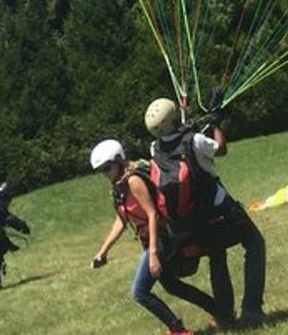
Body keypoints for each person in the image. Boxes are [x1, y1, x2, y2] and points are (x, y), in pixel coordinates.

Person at [145, 97, 267, 329]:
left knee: (217, 257)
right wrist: (215, 123)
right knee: (254, 242)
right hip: (220, 209)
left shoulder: (155, 149)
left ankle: (224, 317)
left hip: (193, 223)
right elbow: (221, 149)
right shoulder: (196, 141)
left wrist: (194, 124)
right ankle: (251, 309)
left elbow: (176, 138)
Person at [90, 139, 222, 335]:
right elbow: (121, 220)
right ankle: (219, 310)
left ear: (119, 160)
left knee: (140, 292)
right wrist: (103, 252)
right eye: (102, 170)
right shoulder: (119, 187)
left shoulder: (134, 181)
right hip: (152, 241)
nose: (105, 174)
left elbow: (152, 214)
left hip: (161, 239)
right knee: (172, 286)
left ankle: (178, 330)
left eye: (107, 168)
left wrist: (153, 254)